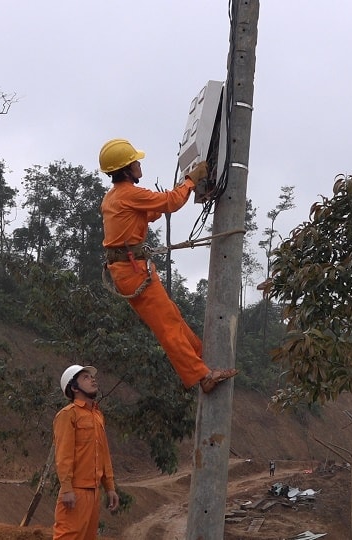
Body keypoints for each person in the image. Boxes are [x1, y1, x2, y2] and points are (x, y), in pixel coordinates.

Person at [98, 138, 238, 394]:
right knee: (168, 326)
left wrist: (176, 192)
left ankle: (200, 357)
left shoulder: (115, 197)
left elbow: (152, 210)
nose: (140, 164)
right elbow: (170, 204)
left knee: (171, 317)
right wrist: (190, 182)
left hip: (130, 269)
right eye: (135, 162)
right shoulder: (129, 194)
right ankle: (203, 375)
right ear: (127, 169)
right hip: (133, 270)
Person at [53, 364, 119, 540]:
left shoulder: (97, 415)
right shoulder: (68, 415)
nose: (92, 379)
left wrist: (109, 487)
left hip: (93, 491)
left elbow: (104, 454)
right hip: (76, 490)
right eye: (85, 377)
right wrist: (67, 489)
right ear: (74, 387)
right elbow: (63, 456)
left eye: (91, 377)